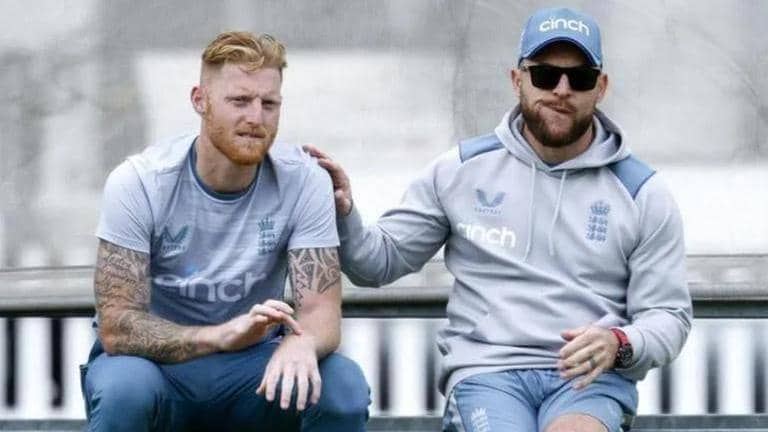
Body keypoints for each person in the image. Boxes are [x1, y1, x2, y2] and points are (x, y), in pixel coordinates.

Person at [305, 7, 692, 432]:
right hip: (488, 374)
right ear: (516, 79)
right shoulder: (459, 170)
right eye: (544, 75)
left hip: (589, 382)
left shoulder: (643, 193)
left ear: (601, 87)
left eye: (579, 78)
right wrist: (342, 211)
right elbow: (376, 263)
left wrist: (620, 343)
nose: (561, 90)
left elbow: (668, 315)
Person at [82, 31, 369, 432]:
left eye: (269, 104)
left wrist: (302, 341)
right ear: (200, 100)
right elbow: (117, 326)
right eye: (240, 101)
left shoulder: (305, 180)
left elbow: (320, 312)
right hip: (158, 368)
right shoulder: (140, 182)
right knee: (124, 391)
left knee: (342, 386)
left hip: (252, 369)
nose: (256, 118)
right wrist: (220, 335)